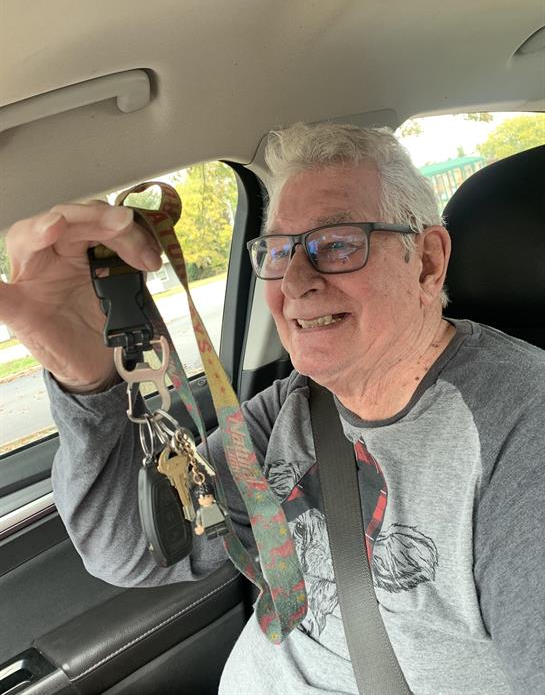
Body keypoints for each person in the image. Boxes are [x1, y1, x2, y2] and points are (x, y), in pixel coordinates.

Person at [1, 123, 543, 694]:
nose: (296, 281)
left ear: (427, 262)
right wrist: (90, 383)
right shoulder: (294, 407)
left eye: (338, 244)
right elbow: (132, 548)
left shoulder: (520, 439)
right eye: (280, 251)